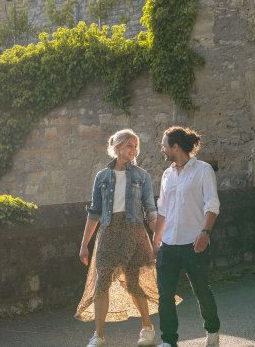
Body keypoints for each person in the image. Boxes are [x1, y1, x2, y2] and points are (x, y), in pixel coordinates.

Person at [76, 129, 175, 347]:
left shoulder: (142, 176)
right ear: (118, 147)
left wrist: (160, 238)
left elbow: (150, 210)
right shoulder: (102, 177)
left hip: (134, 232)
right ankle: (99, 336)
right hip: (108, 233)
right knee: (101, 283)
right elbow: (94, 212)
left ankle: (147, 328)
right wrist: (84, 245)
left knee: (134, 283)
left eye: (135, 146)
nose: (134, 150)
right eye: (130, 145)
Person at [153, 126, 221, 347]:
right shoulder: (167, 174)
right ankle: (168, 341)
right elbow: (163, 211)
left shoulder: (203, 170)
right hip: (168, 244)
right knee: (165, 295)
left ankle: (212, 330)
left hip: (194, 243)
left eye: (164, 145)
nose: (162, 149)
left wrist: (205, 232)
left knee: (201, 290)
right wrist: (156, 240)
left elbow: (212, 204)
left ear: (175, 147)